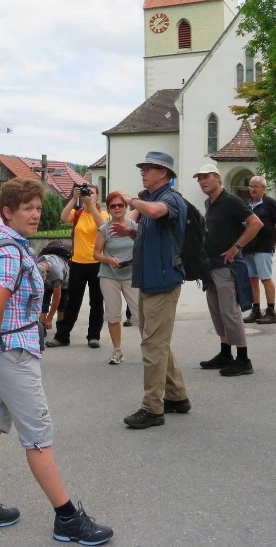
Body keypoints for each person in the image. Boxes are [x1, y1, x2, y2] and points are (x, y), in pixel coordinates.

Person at [0, 178, 114, 544]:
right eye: (26, 208)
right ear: (8, 212)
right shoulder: (9, 251)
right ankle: (67, 518)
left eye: (36, 208)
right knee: (38, 436)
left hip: (3, 351)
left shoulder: (5, 244)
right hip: (12, 352)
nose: (34, 214)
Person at [119, 152, 191, 430]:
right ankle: (177, 396)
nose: (143, 172)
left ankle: (152, 408)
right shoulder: (153, 200)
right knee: (156, 341)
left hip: (162, 282)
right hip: (150, 281)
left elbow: (157, 213)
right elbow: (153, 232)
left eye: (148, 168)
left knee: (153, 344)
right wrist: (132, 234)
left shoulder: (168, 199)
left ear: (163, 173)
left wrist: (131, 201)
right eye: (143, 168)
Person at [194, 164, 263, 377]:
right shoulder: (210, 202)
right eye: (200, 178)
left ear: (217, 177)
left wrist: (236, 247)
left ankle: (243, 359)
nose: (202, 181)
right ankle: (225, 354)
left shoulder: (231, 200)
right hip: (211, 266)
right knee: (217, 312)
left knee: (230, 313)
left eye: (206, 177)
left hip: (227, 266)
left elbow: (256, 223)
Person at [46, 183, 108, 349]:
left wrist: (91, 205)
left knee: (96, 302)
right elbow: (63, 217)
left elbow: (102, 225)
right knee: (73, 301)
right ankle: (62, 336)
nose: (89, 195)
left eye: (93, 194)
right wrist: (74, 198)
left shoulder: (102, 213)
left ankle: (93, 336)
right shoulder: (78, 213)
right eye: (87, 193)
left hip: (97, 263)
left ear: (98, 197)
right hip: (78, 263)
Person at [92, 191, 138, 365]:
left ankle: (149, 348)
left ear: (126, 207)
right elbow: (95, 254)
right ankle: (117, 351)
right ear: (108, 209)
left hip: (132, 275)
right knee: (113, 315)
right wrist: (109, 259)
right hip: (109, 275)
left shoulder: (134, 226)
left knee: (140, 314)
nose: (117, 208)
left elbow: (143, 248)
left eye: (120, 205)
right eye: (113, 206)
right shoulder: (104, 229)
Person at [242, 176, 276, 325]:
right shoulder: (247, 204)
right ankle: (256, 310)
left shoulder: (270, 203)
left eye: (256, 186)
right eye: (251, 186)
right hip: (248, 248)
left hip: (263, 247)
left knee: (265, 278)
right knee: (252, 279)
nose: (253, 189)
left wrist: (274, 242)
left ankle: (271, 312)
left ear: (264, 189)